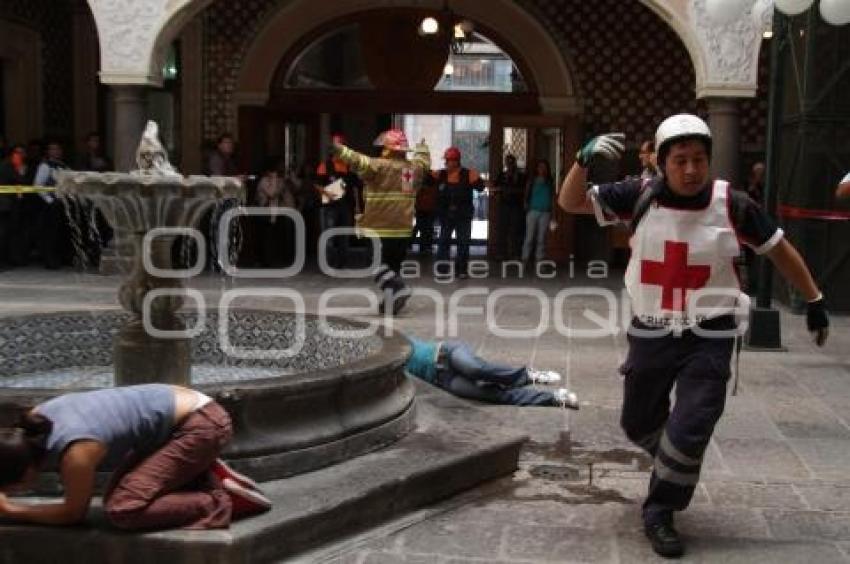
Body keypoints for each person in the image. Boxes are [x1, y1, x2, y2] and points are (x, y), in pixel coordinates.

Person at [558, 114, 829, 559]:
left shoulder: (735, 205)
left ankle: (660, 511)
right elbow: (571, 203)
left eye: (699, 160)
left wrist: (814, 300)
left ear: (709, 161)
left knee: (693, 419)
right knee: (637, 422)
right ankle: (674, 461)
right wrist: (581, 162)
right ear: (662, 163)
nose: (690, 170)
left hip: (711, 331)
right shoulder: (637, 194)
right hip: (652, 327)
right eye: (680, 160)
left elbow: (779, 249)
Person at [0, 384, 271, 530]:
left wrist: (12, 510)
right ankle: (202, 476)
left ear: (24, 472)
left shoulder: (76, 453)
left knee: (123, 510)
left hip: (200, 426)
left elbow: (74, 514)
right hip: (180, 419)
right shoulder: (35, 420)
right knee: (116, 497)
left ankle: (219, 501)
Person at [334, 130, 431, 315]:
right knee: (393, 267)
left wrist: (339, 150)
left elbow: (357, 160)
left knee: (375, 265)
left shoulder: (378, 166)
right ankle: (390, 303)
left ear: (387, 148)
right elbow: (424, 163)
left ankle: (398, 290)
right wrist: (422, 149)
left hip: (379, 228)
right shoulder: (413, 169)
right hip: (402, 229)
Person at [405, 337, 579, 408]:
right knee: (493, 395)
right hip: (443, 380)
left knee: (475, 369)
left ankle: (529, 375)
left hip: (445, 353)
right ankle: (555, 399)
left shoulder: (392, 341)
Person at [434, 147, 485, 278]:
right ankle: (442, 270)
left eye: (448, 160)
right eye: (446, 160)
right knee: (443, 242)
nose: (446, 163)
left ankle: (461, 270)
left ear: (456, 161)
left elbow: (480, 187)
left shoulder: (468, 174)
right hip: (446, 215)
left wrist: (477, 179)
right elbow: (425, 180)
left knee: (463, 243)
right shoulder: (441, 174)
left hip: (463, 215)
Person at [314, 134, 363, 269]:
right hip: (329, 206)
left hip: (346, 206)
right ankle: (327, 263)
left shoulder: (349, 167)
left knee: (344, 236)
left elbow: (355, 188)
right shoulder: (325, 165)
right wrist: (328, 193)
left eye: (341, 147)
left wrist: (358, 207)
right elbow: (317, 184)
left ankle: (342, 263)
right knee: (328, 238)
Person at [255, 159, 298, 267]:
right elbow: (272, 193)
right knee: (265, 238)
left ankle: (276, 260)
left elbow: (296, 189)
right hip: (265, 214)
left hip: (276, 214)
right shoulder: (264, 181)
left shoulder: (281, 180)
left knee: (275, 238)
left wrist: (292, 177)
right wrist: (274, 180)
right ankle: (264, 261)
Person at [492, 154, 527, 260]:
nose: (510, 164)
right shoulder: (502, 175)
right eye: (508, 162)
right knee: (502, 230)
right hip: (504, 205)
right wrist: (500, 191)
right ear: (506, 163)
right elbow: (495, 188)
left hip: (516, 206)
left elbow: (525, 190)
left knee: (516, 230)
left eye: (511, 162)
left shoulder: (521, 176)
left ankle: (516, 253)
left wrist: (512, 191)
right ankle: (501, 253)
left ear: (514, 163)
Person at [522, 159, 556, 264]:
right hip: (533, 211)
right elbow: (526, 195)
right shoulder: (532, 180)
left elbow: (553, 198)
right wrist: (526, 207)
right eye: (540, 166)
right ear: (536, 168)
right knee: (529, 237)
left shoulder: (550, 181)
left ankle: (539, 260)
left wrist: (553, 214)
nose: (542, 169)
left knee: (541, 238)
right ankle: (525, 259)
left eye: (544, 167)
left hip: (545, 212)